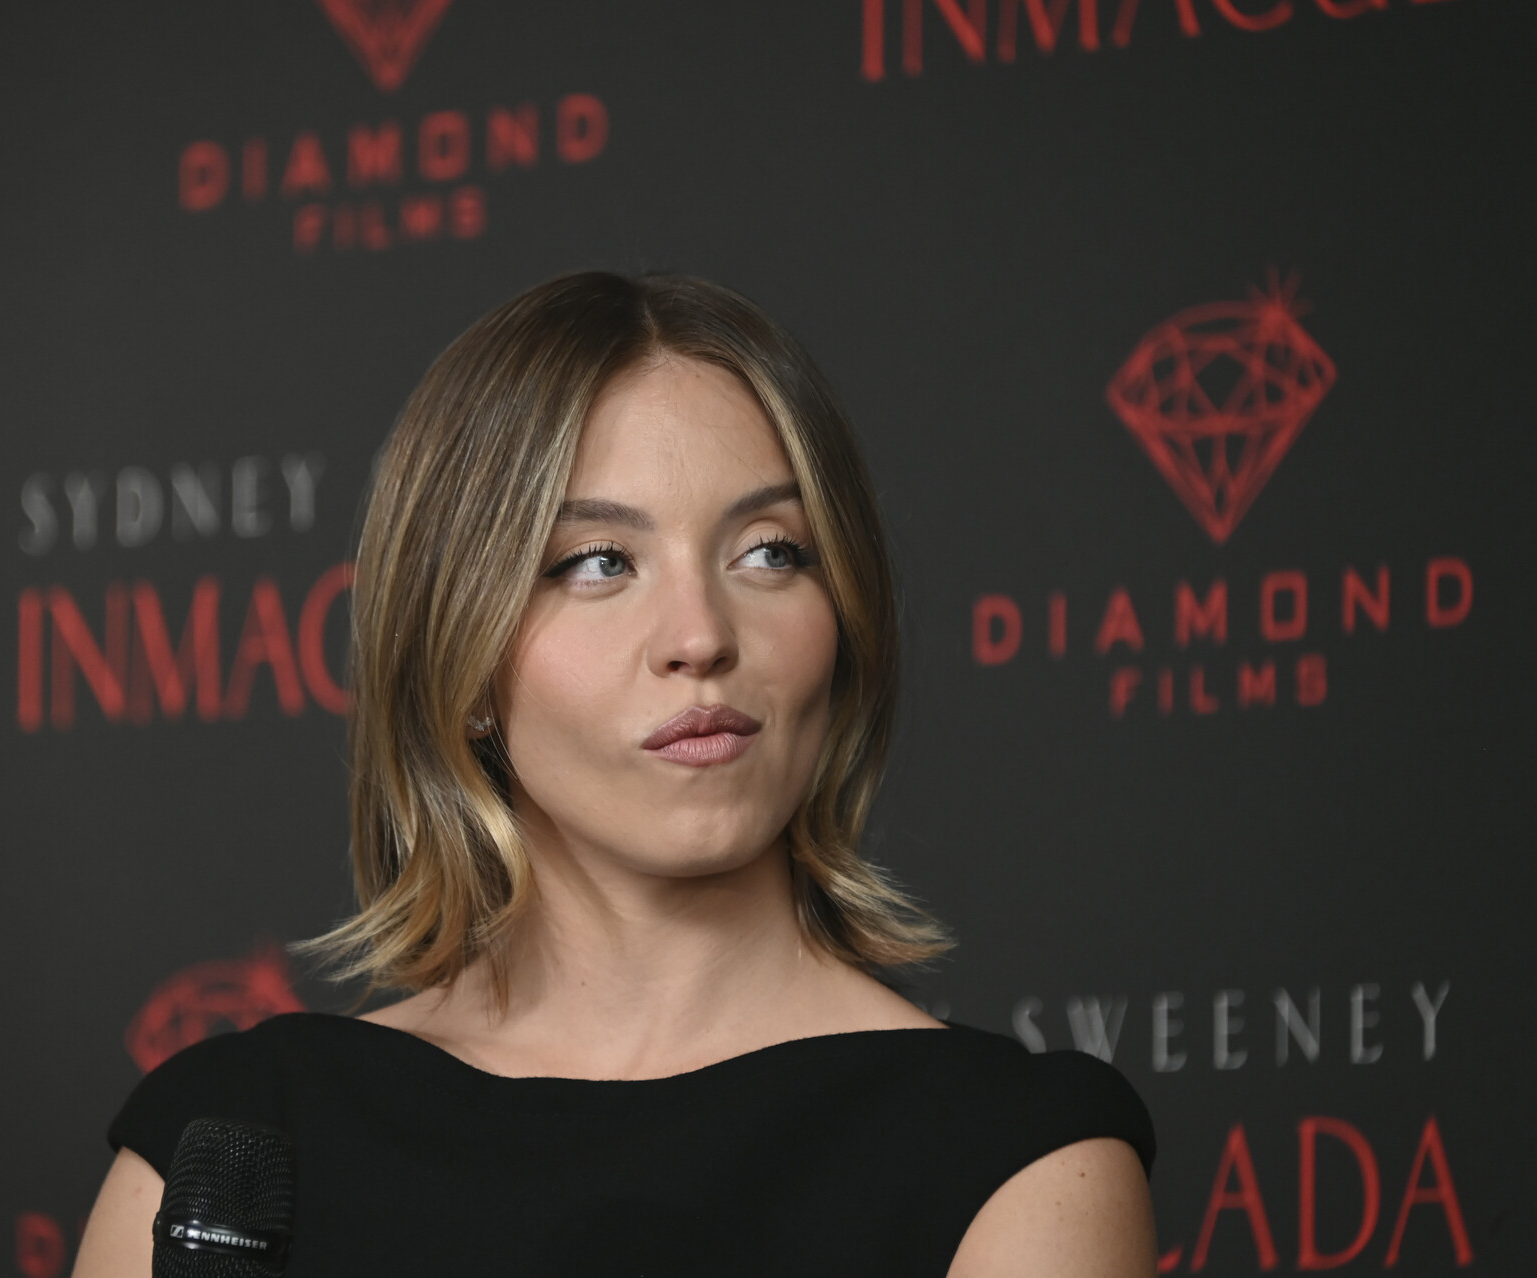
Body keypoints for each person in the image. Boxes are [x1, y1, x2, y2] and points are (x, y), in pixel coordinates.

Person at [71, 272, 1156, 1277]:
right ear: (462, 659)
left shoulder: (1021, 1156)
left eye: (770, 551)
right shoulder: (235, 1146)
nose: (700, 636)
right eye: (598, 562)